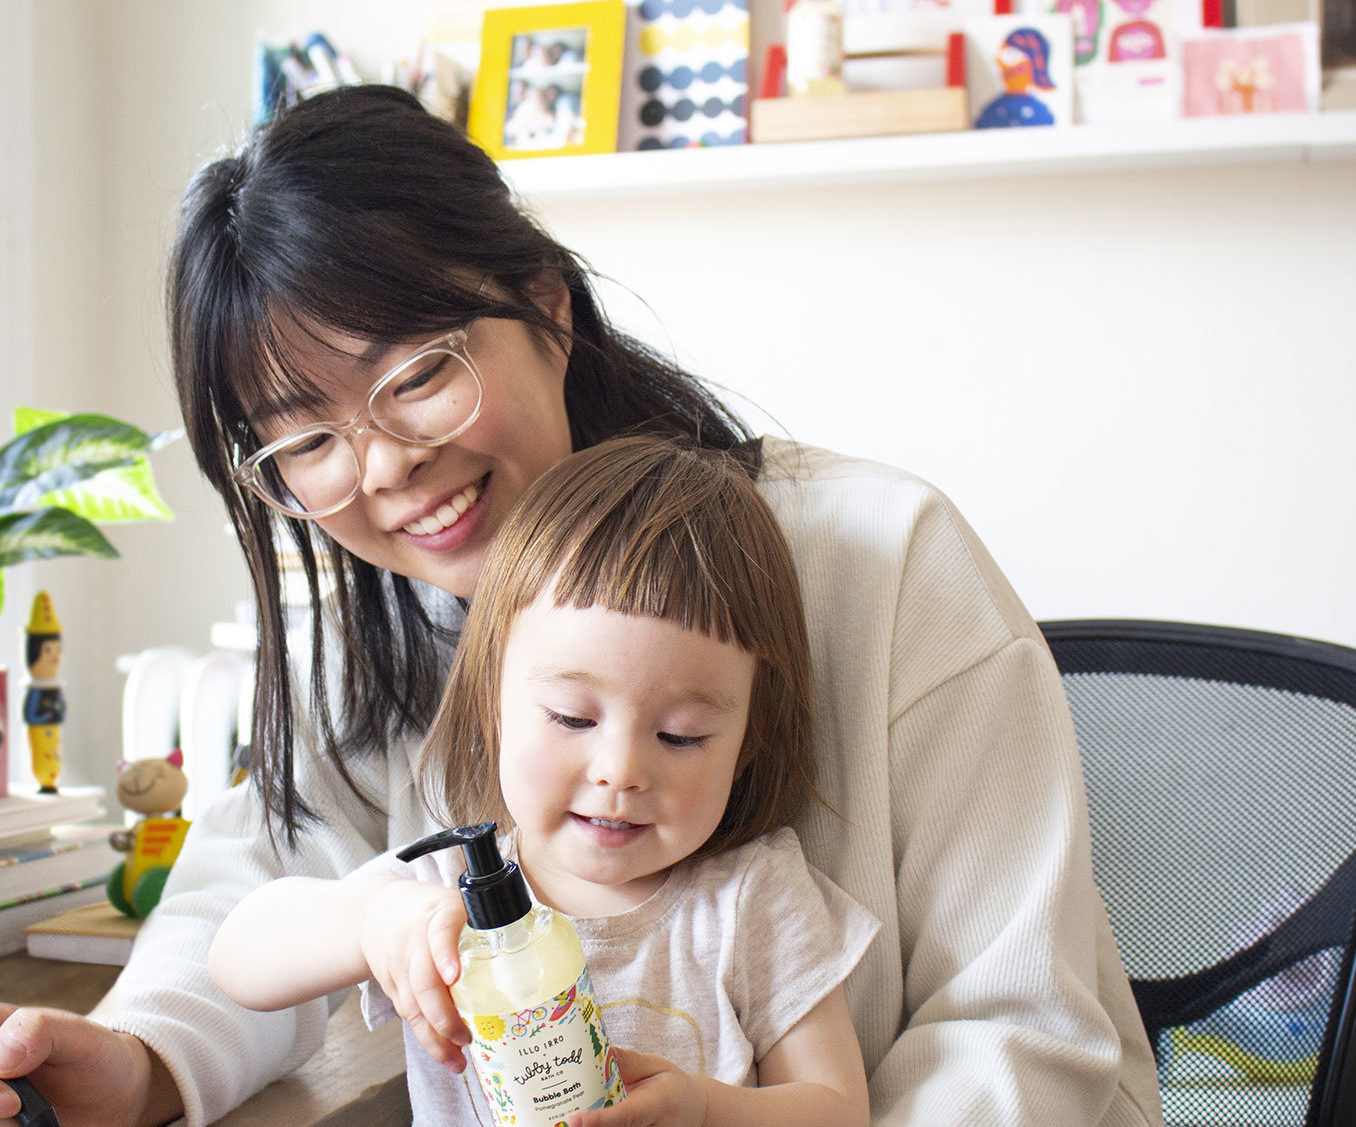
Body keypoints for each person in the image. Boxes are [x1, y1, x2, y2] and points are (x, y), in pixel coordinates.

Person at [0, 83, 1163, 1127]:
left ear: (547, 312)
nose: (384, 467)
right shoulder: (378, 618)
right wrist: (128, 1064)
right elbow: (256, 892)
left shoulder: (884, 563)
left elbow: (1030, 1039)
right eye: (306, 442)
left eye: (416, 374)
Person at [209, 437, 877, 1127]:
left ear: (746, 745)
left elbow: (837, 1110)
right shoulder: (445, 896)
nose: (619, 770)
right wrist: (373, 921)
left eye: (679, 735)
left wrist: (703, 1110)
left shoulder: (751, 903)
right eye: (570, 717)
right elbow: (237, 957)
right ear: (493, 705)